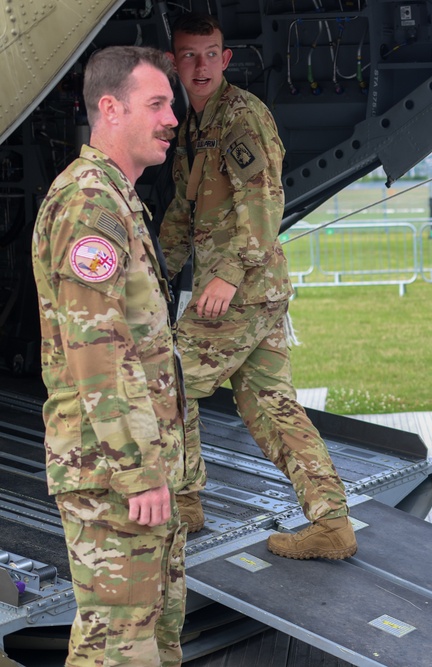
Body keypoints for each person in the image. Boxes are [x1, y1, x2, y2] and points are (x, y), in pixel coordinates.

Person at [159, 13, 356, 560]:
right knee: (271, 407)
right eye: (189, 55)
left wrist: (223, 275)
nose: (200, 66)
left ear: (226, 59)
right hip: (254, 289)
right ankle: (333, 524)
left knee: (170, 378)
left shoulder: (241, 116)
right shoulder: (197, 125)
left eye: (210, 53)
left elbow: (265, 201)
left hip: (240, 289)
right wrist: (156, 269)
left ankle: (184, 501)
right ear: (175, 62)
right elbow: (184, 207)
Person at [32, 46, 187, 666]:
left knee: (156, 635)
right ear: (109, 108)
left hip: (138, 467)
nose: (172, 118)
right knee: (118, 647)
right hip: (111, 473)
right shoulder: (91, 206)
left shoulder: (118, 198)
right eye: (157, 104)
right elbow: (97, 349)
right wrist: (137, 469)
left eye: (170, 104)